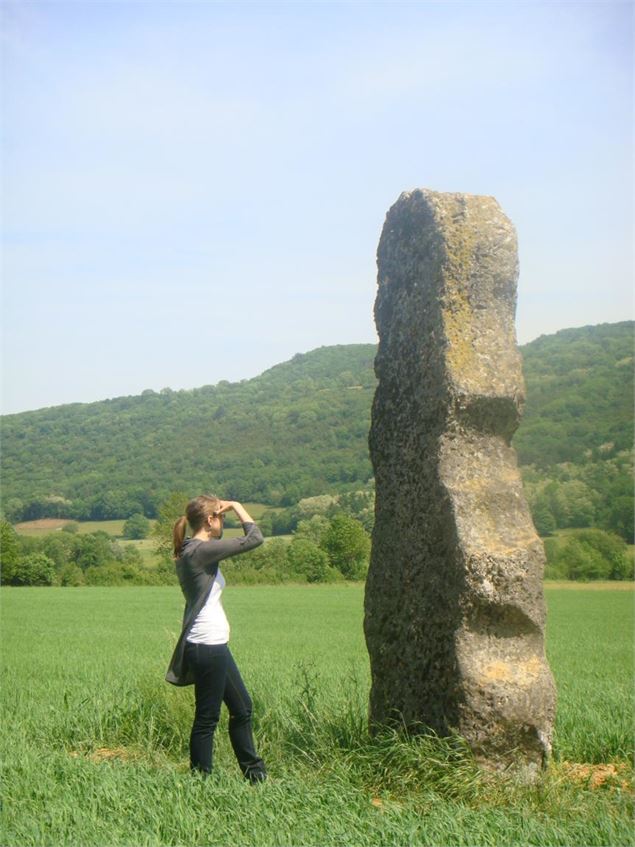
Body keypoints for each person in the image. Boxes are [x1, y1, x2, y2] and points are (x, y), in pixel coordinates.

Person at [166, 494, 267, 782]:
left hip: (212, 645)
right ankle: (201, 782)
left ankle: (256, 778)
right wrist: (235, 506)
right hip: (207, 645)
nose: (223, 521)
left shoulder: (193, 550)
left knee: (242, 708)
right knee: (207, 718)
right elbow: (254, 538)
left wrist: (226, 509)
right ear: (210, 520)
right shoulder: (199, 551)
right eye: (220, 516)